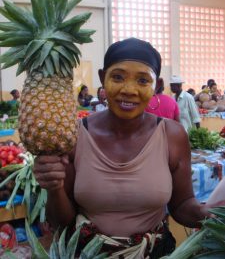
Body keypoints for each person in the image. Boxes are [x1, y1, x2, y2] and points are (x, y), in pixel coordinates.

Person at [33, 38, 224, 258]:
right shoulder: (74, 135)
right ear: (102, 77)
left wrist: (207, 213)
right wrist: (53, 187)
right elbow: (60, 222)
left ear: (156, 85)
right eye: (118, 77)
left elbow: (181, 204)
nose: (129, 90)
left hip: (154, 252)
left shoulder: (172, 135)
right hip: (87, 253)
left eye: (143, 80)